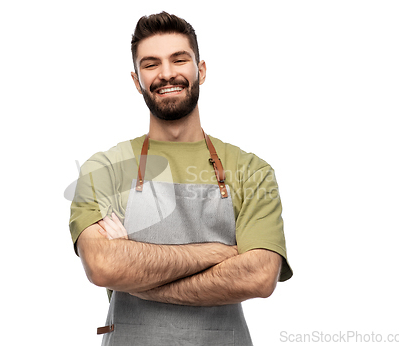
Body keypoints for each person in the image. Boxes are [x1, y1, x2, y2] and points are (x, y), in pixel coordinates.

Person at [69, 11, 293, 346]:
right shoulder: (105, 168)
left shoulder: (250, 170)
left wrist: (136, 273)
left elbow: (259, 276)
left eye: (179, 59)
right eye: (151, 64)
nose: (167, 73)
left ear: (200, 71)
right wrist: (218, 252)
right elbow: (103, 267)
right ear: (137, 80)